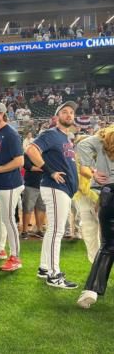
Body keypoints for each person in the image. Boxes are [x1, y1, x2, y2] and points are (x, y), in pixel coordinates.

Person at [27, 101, 79, 289]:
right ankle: (54, 274)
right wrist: (50, 171)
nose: (69, 115)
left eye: (71, 112)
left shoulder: (66, 138)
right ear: (57, 117)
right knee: (57, 231)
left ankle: (44, 268)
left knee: (52, 230)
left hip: (63, 190)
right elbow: (31, 150)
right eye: (64, 112)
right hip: (56, 188)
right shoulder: (51, 133)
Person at [77, 126, 114, 308]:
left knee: (107, 246)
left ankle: (90, 291)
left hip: (108, 193)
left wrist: (91, 171)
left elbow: (82, 145)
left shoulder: (105, 138)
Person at [0, 102, 24, 271]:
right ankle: (0, 249)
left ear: (2, 114)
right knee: (0, 219)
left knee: (8, 219)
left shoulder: (11, 134)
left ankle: (15, 257)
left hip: (10, 183)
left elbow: (19, 161)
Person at [21, 153, 45, 239]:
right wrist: (41, 168)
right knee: (27, 208)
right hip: (31, 183)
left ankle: (39, 230)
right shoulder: (29, 151)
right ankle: (25, 231)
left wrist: (41, 168)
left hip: (44, 184)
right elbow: (26, 165)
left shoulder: (47, 151)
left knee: (41, 208)